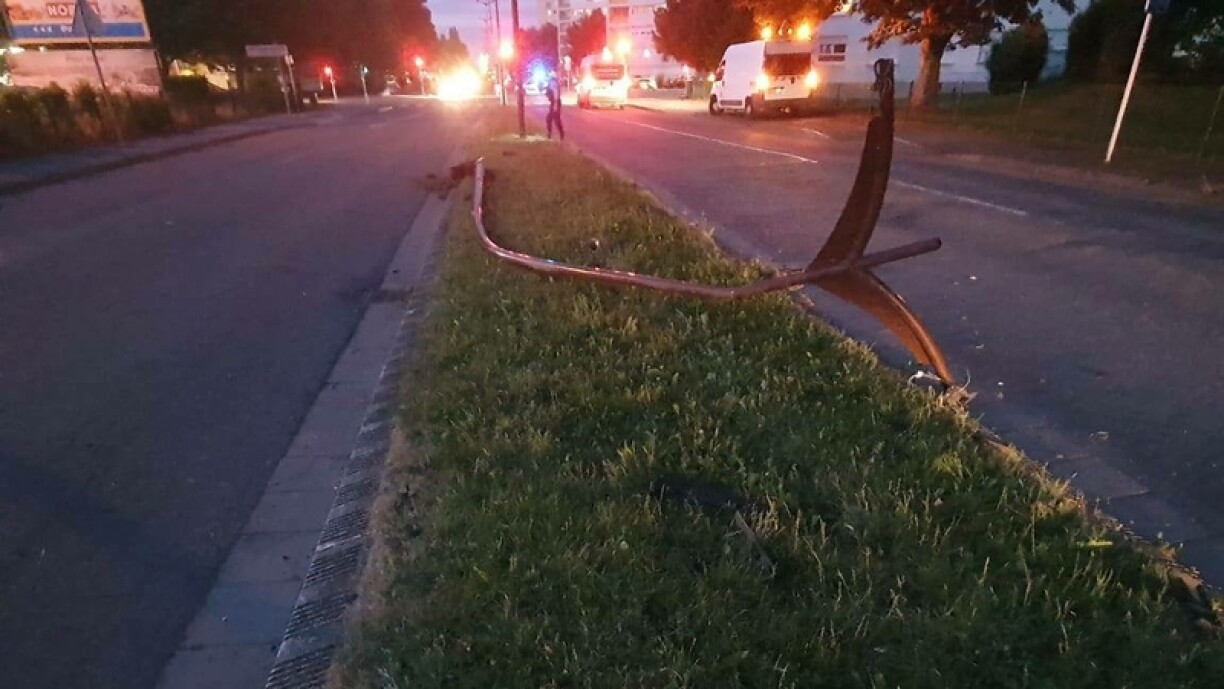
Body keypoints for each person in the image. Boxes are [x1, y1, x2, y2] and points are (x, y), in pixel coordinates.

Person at [545, 74, 565, 141]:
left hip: (555, 103)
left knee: (555, 119)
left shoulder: (553, 84)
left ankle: (560, 134)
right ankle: (551, 134)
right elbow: (548, 93)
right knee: (550, 119)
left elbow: (556, 95)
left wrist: (555, 106)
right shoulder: (553, 84)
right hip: (554, 103)